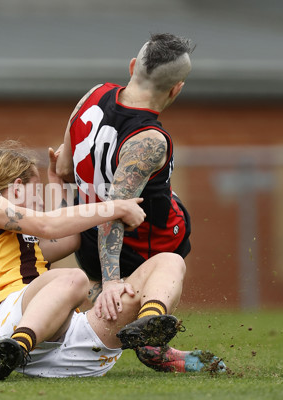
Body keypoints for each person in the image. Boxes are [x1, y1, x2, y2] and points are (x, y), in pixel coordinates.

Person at [0, 140, 220, 380]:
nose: (40, 198)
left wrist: (57, 182)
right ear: (18, 187)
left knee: (170, 261)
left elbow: (68, 238)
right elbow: (47, 226)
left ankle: (150, 330)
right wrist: (116, 206)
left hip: (70, 347)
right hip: (16, 325)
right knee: (74, 277)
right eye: (38, 189)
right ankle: (16, 346)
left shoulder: (13, 240)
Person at [55, 33, 224, 372]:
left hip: (90, 241)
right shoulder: (149, 139)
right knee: (170, 265)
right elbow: (114, 213)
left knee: (106, 298)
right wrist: (114, 280)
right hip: (143, 247)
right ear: (176, 88)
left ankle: (145, 338)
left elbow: (63, 167)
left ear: (132, 67)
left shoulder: (93, 95)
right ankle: (151, 330)